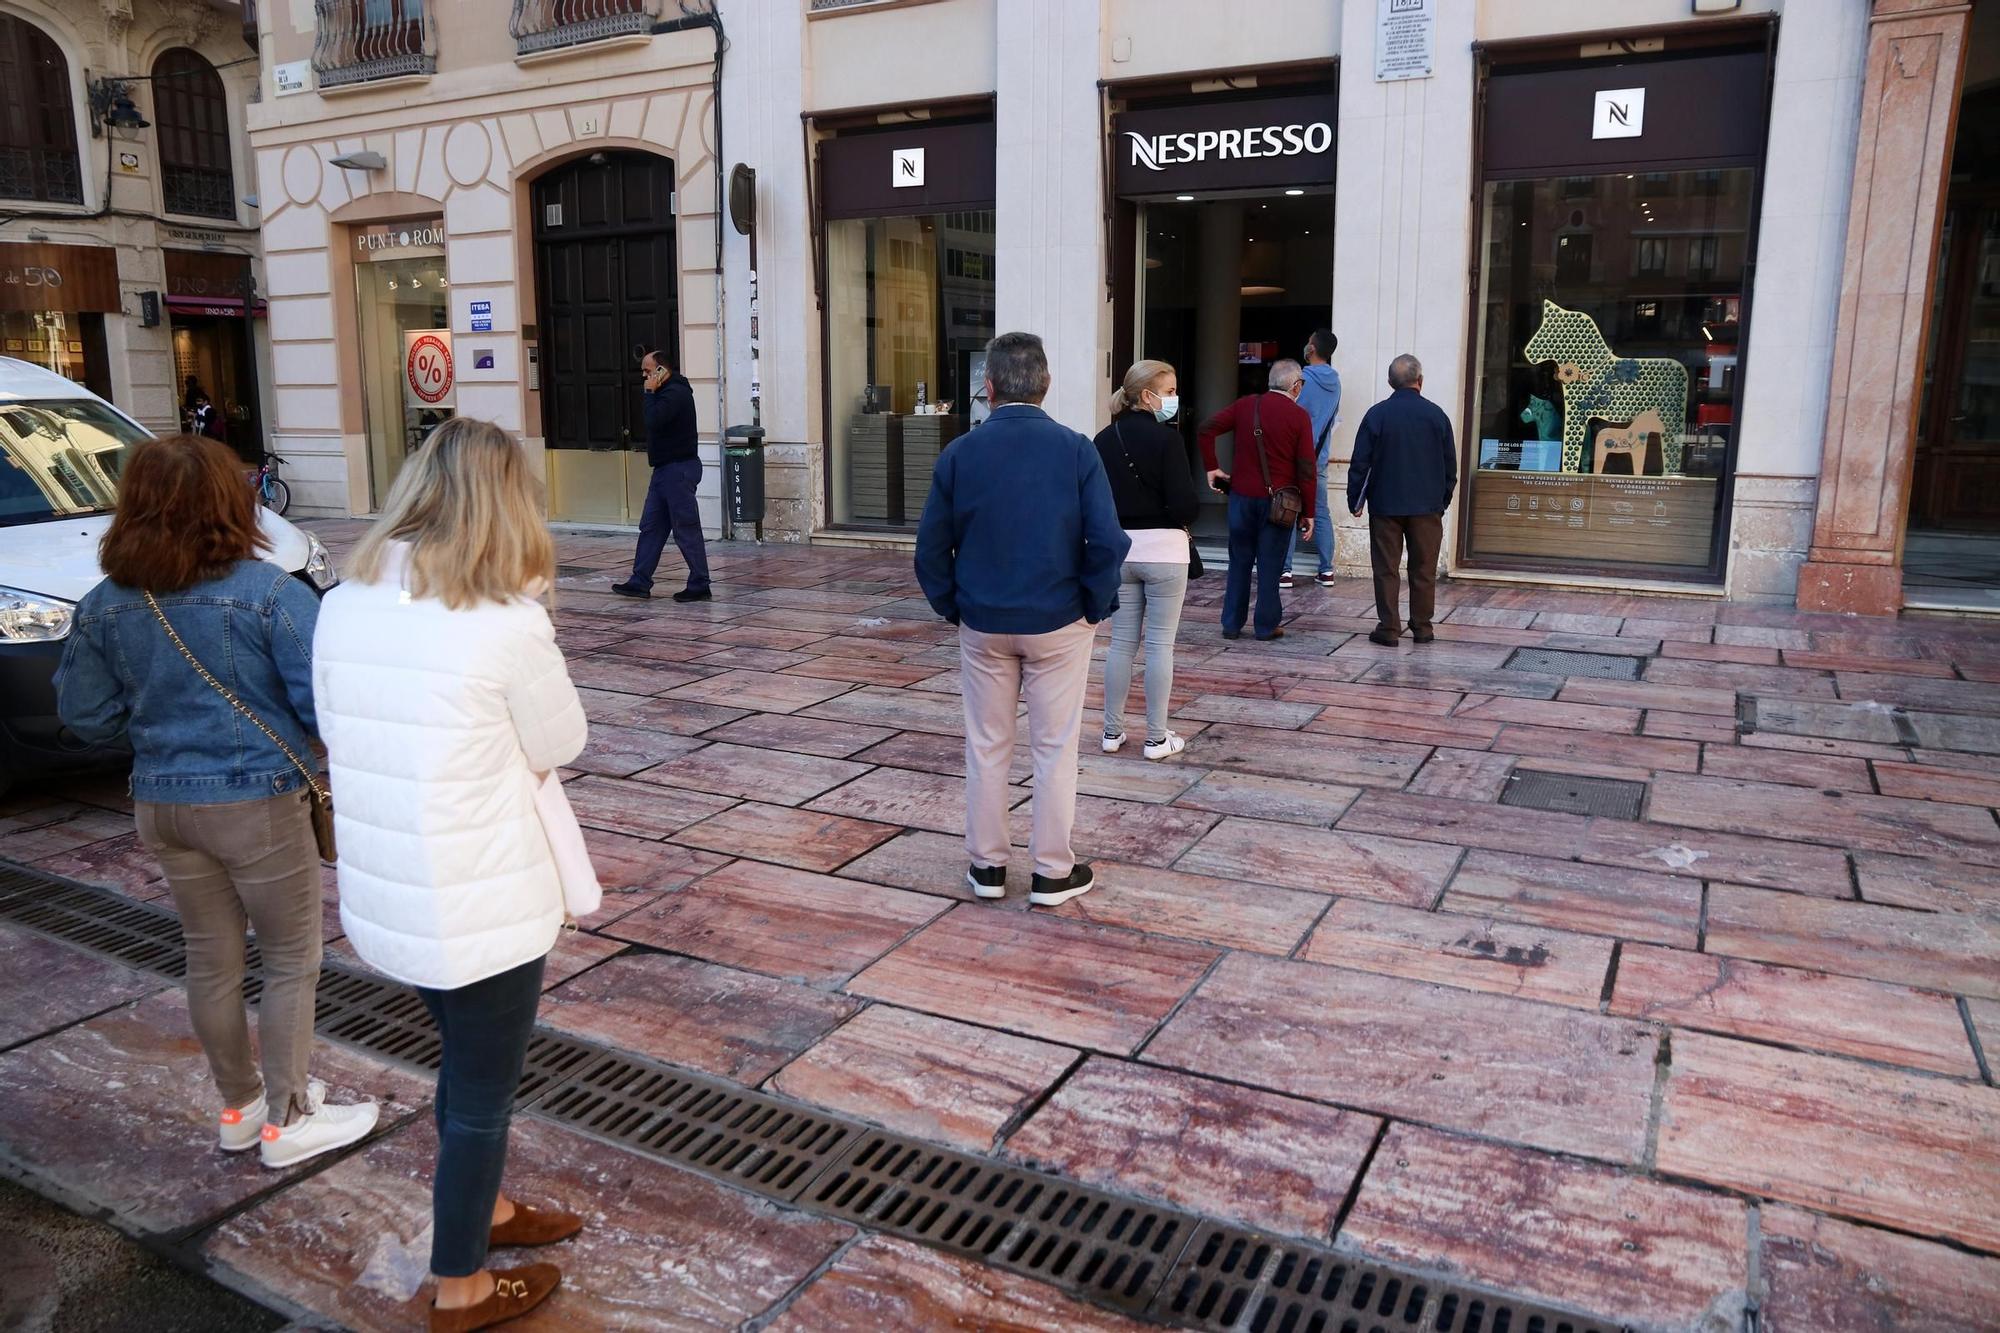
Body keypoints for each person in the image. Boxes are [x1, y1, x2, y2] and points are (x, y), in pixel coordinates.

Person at [314, 418, 589, 1330]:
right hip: (486, 898)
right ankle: (462, 1281)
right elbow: (562, 744)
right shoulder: (507, 622)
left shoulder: (342, 600)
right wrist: (539, 623)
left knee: (465, 1070)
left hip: (391, 887)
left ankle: (491, 1205)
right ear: (506, 503)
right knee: (481, 1094)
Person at [54, 434, 378, 1170]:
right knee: (292, 957)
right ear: (229, 505)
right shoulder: (268, 593)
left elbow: (85, 715)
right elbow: (324, 705)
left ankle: (241, 1109)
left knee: (211, 959)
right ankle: (289, 1117)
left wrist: (159, 727)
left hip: (161, 803)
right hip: (256, 802)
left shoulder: (105, 604)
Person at [916, 331, 1128, 907]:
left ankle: (987, 868)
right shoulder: (1075, 448)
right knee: (1055, 747)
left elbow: (930, 549)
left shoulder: (960, 453)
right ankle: (1051, 873)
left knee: (987, 744)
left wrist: (952, 605)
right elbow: (1107, 541)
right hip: (1058, 619)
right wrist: (1094, 605)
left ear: (987, 388)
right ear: (1046, 384)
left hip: (984, 618)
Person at [1094, 359, 1200, 760]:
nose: (1174, 399)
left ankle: (1111, 731)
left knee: (1120, 645)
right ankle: (1156, 737)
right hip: (1165, 554)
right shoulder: (1167, 440)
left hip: (1121, 550)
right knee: (1159, 646)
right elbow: (1186, 506)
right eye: (1169, 391)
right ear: (1147, 395)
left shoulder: (1103, 440)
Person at [1196, 359, 1317, 641]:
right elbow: (1306, 469)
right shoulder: (1299, 416)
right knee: (1270, 565)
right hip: (1279, 505)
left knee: (1238, 561)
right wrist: (1309, 511)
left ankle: (1231, 624)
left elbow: (1206, 429)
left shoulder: (1246, 405)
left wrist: (1212, 467)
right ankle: (1265, 626)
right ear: (1296, 386)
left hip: (1241, 498)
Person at [1348, 354, 1457, 647]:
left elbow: (1360, 462)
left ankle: (1389, 628)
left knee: (1386, 568)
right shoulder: (1437, 415)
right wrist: (1442, 501)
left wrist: (1354, 499)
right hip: (1427, 508)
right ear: (1420, 381)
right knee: (1423, 569)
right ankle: (1422, 628)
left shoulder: (1376, 414)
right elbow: (1451, 467)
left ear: (1389, 383)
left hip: (1385, 506)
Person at [612, 349, 710, 603]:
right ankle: (639, 581)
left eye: (648, 370)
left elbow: (654, 420)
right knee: (651, 527)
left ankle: (700, 583)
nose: (644, 376)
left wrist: (649, 392)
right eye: (643, 371)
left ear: (661, 370)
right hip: (664, 470)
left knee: (685, 528)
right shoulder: (664, 393)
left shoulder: (675, 393)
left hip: (678, 469)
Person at [1285, 329, 1342, 589]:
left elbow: (1289, 415)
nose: (1306, 346)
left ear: (1312, 349)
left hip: (1294, 456)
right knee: (1320, 511)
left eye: (1308, 342)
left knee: (1286, 508)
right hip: (1318, 457)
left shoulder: (1301, 380)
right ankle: (1326, 570)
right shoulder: (1336, 383)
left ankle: (1285, 570)